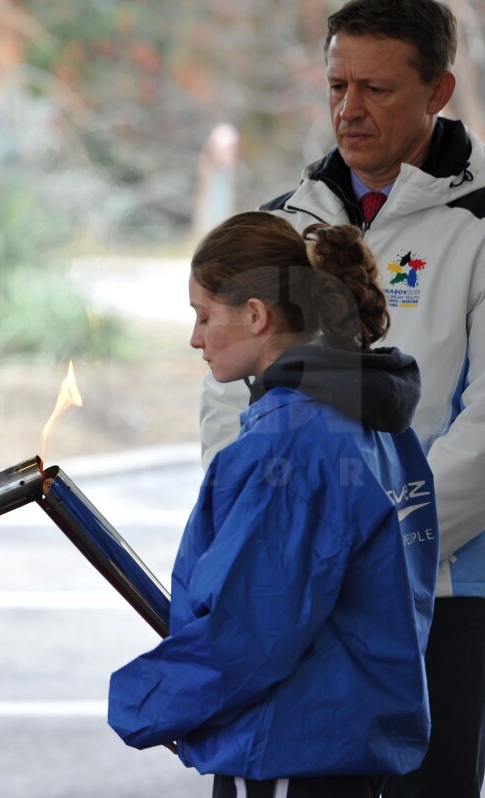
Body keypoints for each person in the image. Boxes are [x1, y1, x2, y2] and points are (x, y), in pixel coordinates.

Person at [202, 1, 485, 795]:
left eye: (377, 88)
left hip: (441, 589)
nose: (348, 109)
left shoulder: (479, 225)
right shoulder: (280, 222)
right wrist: (277, 540)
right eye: (336, 85)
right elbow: (227, 399)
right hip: (284, 584)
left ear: (439, 90)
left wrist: (367, 546)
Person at [112, 211, 439, 798]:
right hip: (343, 749)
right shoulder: (376, 421)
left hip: (290, 753)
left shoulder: (287, 444)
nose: (195, 338)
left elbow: (252, 631)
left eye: (204, 315)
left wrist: (140, 701)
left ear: (256, 315)